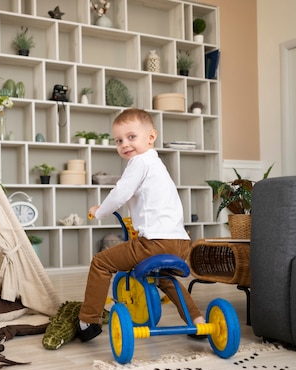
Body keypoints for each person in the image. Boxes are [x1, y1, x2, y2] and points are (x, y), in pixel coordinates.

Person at [76, 108, 205, 342]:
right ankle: (197, 321)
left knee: (101, 263)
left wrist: (100, 210)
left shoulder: (138, 162)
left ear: (151, 137)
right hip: (181, 242)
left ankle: (88, 320)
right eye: (119, 140)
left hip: (155, 242)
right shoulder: (156, 164)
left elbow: (120, 194)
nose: (125, 144)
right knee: (164, 278)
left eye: (131, 137)